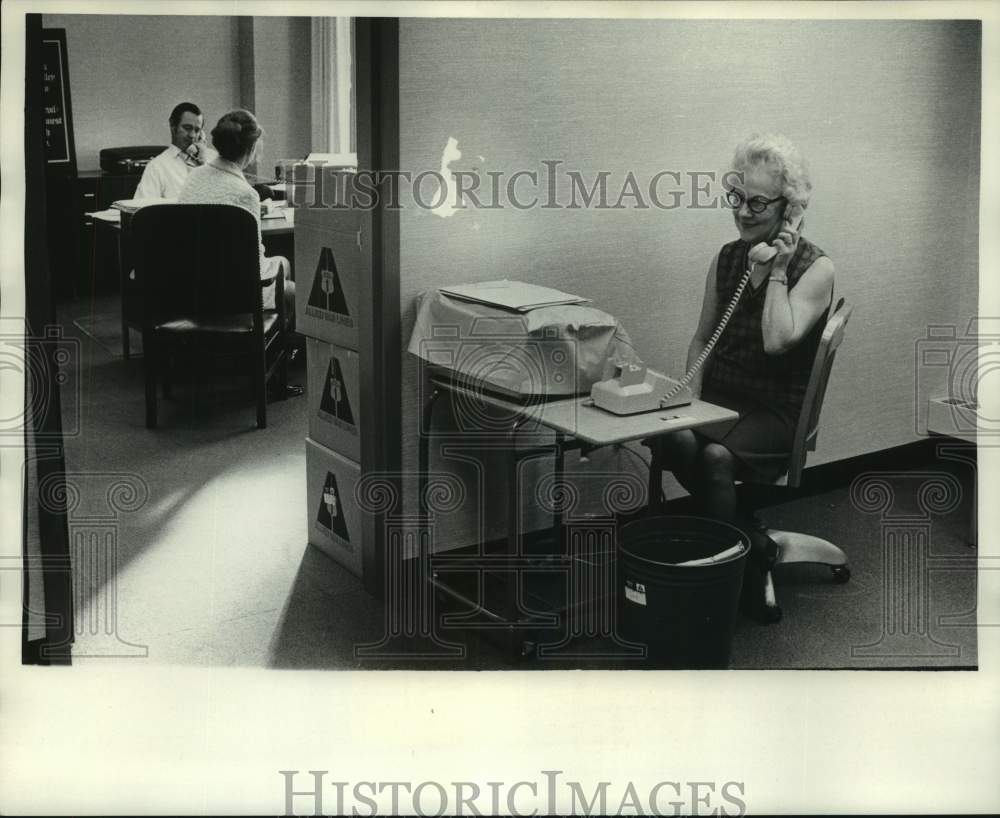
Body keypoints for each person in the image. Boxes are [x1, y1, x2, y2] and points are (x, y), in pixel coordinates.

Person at [656, 134, 835, 616]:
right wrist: (689, 403)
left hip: (775, 410)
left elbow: (777, 340)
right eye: (737, 197)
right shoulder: (727, 258)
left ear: (790, 208)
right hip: (721, 398)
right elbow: (702, 339)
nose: (743, 211)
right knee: (674, 439)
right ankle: (750, 544)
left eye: (758, 202)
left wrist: (777, 269)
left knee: (715, 458)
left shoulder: (815, 268)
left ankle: (721, 587)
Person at [177, 109, 302, 396]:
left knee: (281, 265)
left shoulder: (194, 177)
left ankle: (250, 355)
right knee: (289, 283)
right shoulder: (244, 193)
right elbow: (255, 266)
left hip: (192, 290)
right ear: (252, 147)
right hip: (233, 296)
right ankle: (273, 371)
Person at [134, 102, 217, 199]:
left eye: (197, 130)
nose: (193, 135)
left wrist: (204, 164)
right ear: (173, 125)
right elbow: (143, 205)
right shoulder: (157, 167)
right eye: (187, 128)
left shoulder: (213, 159)